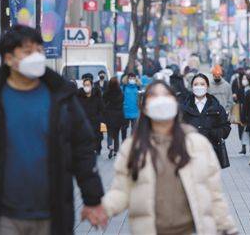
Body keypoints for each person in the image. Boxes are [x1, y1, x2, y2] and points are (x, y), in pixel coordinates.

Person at [0, 25, 104, 235]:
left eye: (39, 51)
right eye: (27, 52)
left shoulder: (61, 97)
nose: (36, 57)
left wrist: (93, 199)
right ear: (8, 59)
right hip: (3, 214)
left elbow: (82, 149)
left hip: (52, 213)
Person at [93, 81, 238, 234]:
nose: (160, 101)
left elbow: (214, 194)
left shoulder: (197, 145)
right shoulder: (132, 147)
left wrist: (227, 227)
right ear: (144, 106)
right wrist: (102, 209)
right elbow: (121, 191)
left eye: (166, 96)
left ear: (175, 104)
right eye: (154, 96)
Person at [182, 73, 232, 162]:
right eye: (196, 84)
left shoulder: (216, 107)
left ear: (207, 86)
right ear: (192, 87)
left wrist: (215, 133)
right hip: (189, 152)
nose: (199, 87)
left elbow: (226, 127)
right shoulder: (184, 107)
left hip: (211, 152)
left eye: (202, 84)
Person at [78, 78, 105, 155]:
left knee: (97, 137)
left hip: (96, 121)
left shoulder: (97, 97)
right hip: (85, 122)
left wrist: (100, 119)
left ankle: (98, 149)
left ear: (91, 85)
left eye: (88, 85)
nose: (86, 87)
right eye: (85, 85)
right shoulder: (80, 97)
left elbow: (102, 109)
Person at [103, 77, 124, 159]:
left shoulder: (107, 92)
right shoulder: (120, 92)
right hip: (118, 116)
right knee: (116, 134)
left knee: (109, 133)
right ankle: (115, 151)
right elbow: (122, 101)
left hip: (109, 115)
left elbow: (103, 101)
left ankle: (110, 145)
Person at [232, 68, 250, 155]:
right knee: (242, 127)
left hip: (246, 109)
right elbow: (235, 96)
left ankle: (248, 146)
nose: (244, 80)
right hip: (241, 108)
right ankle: (244, 146)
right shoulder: (237, 83)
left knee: (247, 128)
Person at [121, 73, 140, 141]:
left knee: (134, 129)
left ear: (135, 79)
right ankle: (124, 141)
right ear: (127, 79)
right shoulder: (124, 87)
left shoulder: (138, 87)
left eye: (133, 78)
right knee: (124, 128)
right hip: (126, 110)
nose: (132, 79)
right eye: (130, 78)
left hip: (135, 111)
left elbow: (140, 98)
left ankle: (132, 142)